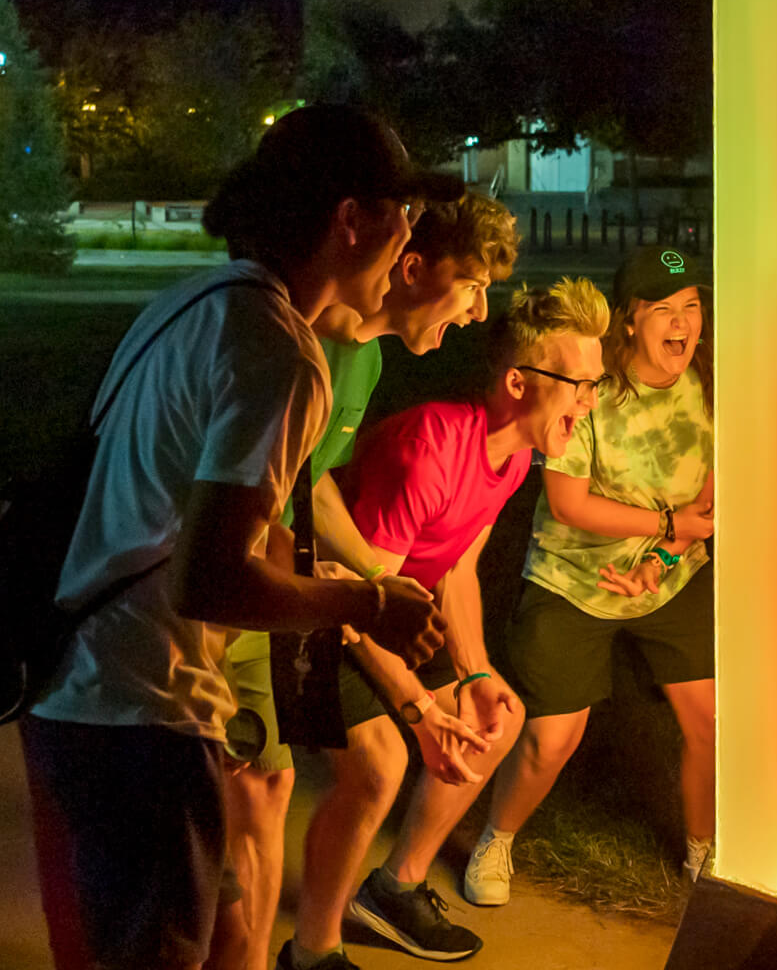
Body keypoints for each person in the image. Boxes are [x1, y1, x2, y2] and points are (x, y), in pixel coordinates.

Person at [20, 103, 452, 970]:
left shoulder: (195, 302)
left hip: (80, 681)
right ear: (350, 220)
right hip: (141, 708)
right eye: (401, 211)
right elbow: (211, 582)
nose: (412, 235)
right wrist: (370, 602)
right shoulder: (281, 353)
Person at [219, 190, 517, 970]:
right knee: (251, 801)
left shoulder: (369, 357)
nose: (480, 314)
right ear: (410, 265)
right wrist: (373, 604)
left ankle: (307, 953)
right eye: (473, 286)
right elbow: (267, 514)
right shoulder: (302, 343)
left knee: (268, 796)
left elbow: (311, 486)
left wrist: (375, 573)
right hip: (229, 589)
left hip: (278, 585)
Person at [275, 278, 612, 969]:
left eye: (595, 385)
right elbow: (360, 598)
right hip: (325, 608)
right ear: (519, 382)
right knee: (380, 765)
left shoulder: (514, 458)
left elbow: (456, 570)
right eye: (579, 384)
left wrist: (478, 671)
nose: (590, 401)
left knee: (499, 716)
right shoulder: (431, 448)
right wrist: (421, 708)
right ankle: (312, 950)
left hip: (393, 612)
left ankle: (394, 888)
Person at [473, 245, 717, 899]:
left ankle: (703, 853)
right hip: (571, 582)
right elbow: (567, 503)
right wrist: (669, 529)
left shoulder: (713, 386)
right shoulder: (589, 393)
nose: (681, 322)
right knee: (553, 737)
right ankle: (495, 841)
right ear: (629, 321)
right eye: (663, 307)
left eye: (691, 305)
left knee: (712, 720)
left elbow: (709, 506)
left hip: (670, 576)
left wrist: (664, 558)